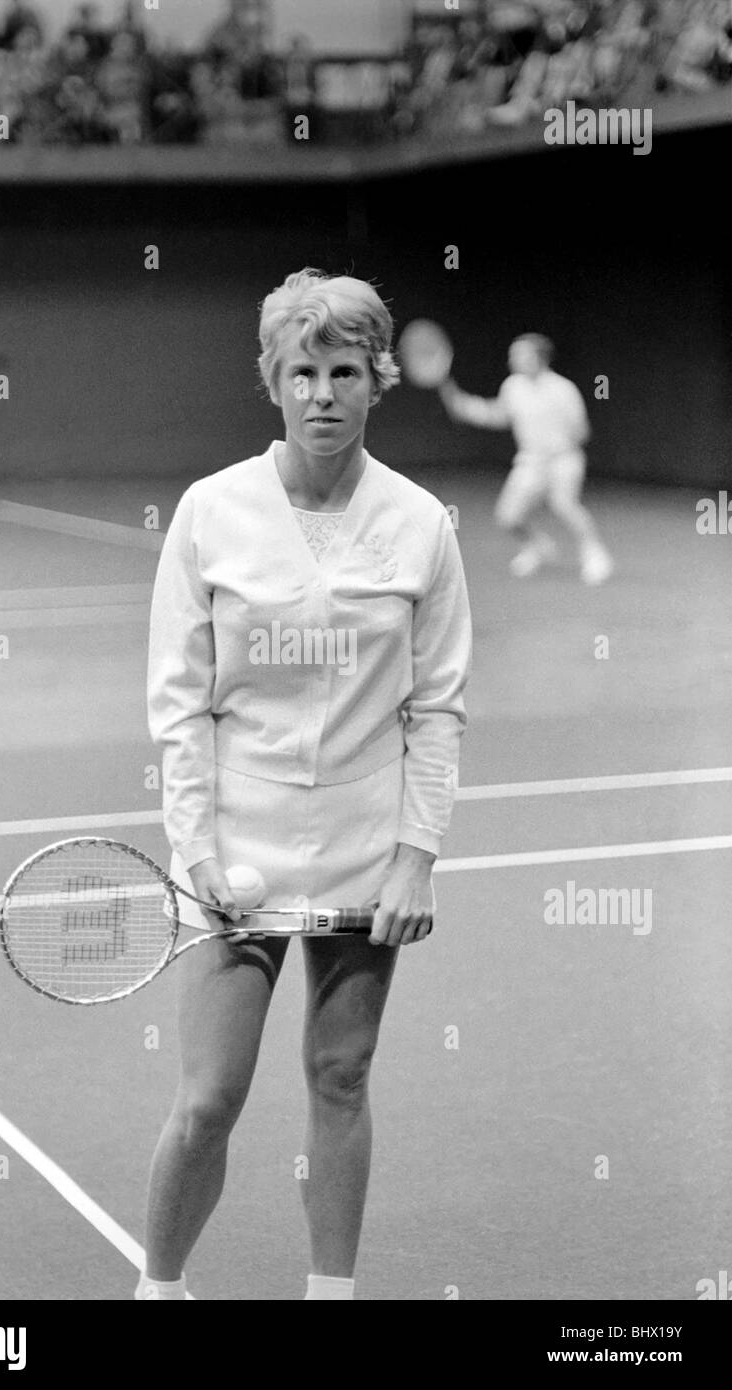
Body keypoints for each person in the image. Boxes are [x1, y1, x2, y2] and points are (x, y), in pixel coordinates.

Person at [142, 269, 472, 1301]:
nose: (322, 393)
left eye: (344, 371)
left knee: (339, 1077)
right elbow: (177, 705)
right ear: (271, 382)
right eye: (301, 371)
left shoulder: (421, 525)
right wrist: (197, 857)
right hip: (232, 843)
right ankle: (159, 1286)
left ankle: (330, 1294)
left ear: (377, 381)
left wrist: (414, 861)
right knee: (207, 1099)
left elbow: (439, 707)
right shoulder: (209, 512)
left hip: (361, 846)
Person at [438, 333, 614, 584]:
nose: (512, 359)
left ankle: (596, 556)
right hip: (530, 463)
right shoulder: (512, 386)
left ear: (538, 358)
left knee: (564, 504)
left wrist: (556, 451)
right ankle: (538, 547)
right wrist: (464, 406)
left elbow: (582, 430)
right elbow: (499, 415)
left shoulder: (563, 389)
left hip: (563, 460)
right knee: (508, 518)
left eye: (518, 354)